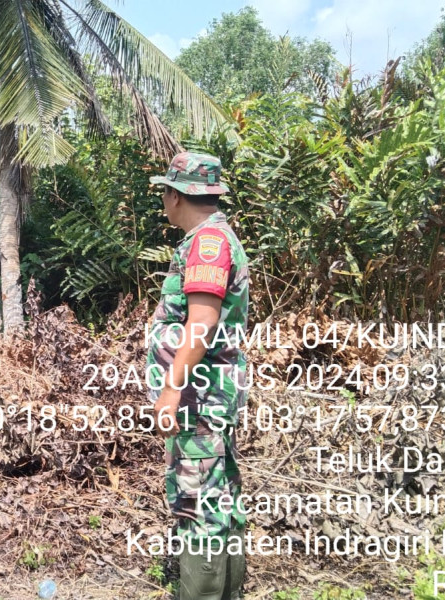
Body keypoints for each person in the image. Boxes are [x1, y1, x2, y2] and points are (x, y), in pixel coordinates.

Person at [147, 153, 249, 600]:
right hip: (207, 396)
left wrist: (172, 388)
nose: (163, 201)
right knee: (219, 495)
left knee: (199, 502)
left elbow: (202, 323)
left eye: (164, 192)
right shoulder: (208, 238)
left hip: (198, 396)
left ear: (176, 195)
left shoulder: (208, 242)